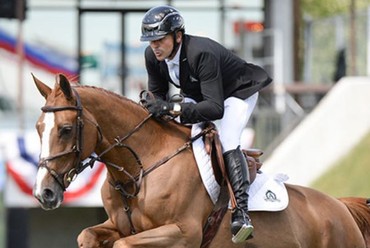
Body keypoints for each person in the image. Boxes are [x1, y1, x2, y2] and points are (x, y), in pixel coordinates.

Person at [140, 5, 272, 243]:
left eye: (159, 39)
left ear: (178, 36)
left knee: (228, 139)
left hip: (236, 93)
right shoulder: (153, 56)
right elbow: (158, 96)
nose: (155, 46)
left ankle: (241, 213)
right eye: (151, 41)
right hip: (202, 94)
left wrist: (172, 108)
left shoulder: (201, 53)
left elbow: (215, 109)